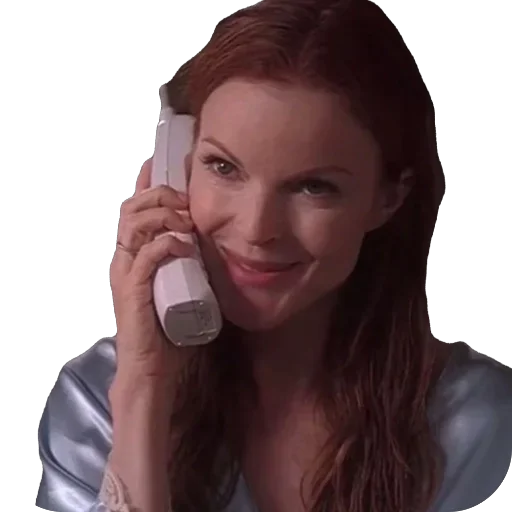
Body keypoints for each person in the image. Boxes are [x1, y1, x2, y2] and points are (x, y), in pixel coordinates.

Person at [36, 1, 512, 511]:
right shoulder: (98, 400)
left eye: (313, 187)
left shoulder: (467, 419)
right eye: (223, 167)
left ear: (387, 198)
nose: (257, 229)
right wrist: (143, 392)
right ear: (176, 167)